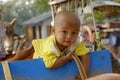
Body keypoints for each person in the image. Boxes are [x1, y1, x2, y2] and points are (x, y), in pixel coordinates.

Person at [7, 11, 90, 78]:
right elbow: (50, 64)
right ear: (54, 31)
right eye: (64, 32)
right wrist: (66, 59)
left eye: (74, 33)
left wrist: (83, 73)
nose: (69, 37)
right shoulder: (50, 45)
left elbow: (85, 55)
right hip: (39, 61)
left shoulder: (75, 43)